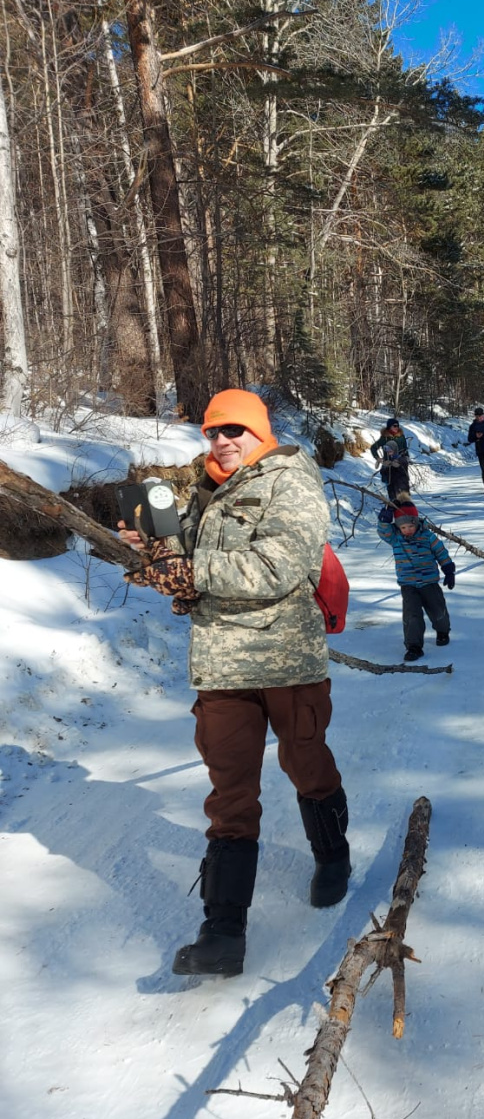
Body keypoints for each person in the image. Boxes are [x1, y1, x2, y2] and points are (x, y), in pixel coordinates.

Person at [120, 389, 350, 979]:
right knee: (229, 793)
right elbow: (185, 569)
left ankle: (332, 855)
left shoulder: (290, 481)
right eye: (213, 432)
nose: (222, 441)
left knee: (305, 761)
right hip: (222, 665)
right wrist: (152, 551)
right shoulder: (201, 491)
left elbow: (278, 567)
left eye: (234, 431)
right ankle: (223, 931)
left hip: (284, 658)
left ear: (260, 433)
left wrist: (190, 571)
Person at [376, 500, 454, 661]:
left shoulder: (427, 536)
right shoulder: (396, 538)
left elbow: (440, 552)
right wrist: (385, 517)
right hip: (408, 584)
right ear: (398, 527)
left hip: (429, 582)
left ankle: (442, 631)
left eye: (410, 526)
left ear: (416, 522)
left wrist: (448, 569)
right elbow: (384, 531)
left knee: (438, 610)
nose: (407, 530)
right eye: (403, 527)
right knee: (412, 615)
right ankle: (414, 646)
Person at [370, 417, 411, 501]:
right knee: (390, 484)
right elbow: (373, 448)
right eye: (394, 426)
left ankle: (405, 503)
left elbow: (405, 449)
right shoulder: (384, 438)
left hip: (400, 464)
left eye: (397, 426)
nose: (396, 427)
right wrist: (378, 458)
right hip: (388, 465)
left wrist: (407, 458)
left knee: (403, 484)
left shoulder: (401, 437)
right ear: (389, 427)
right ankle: (393, 503)